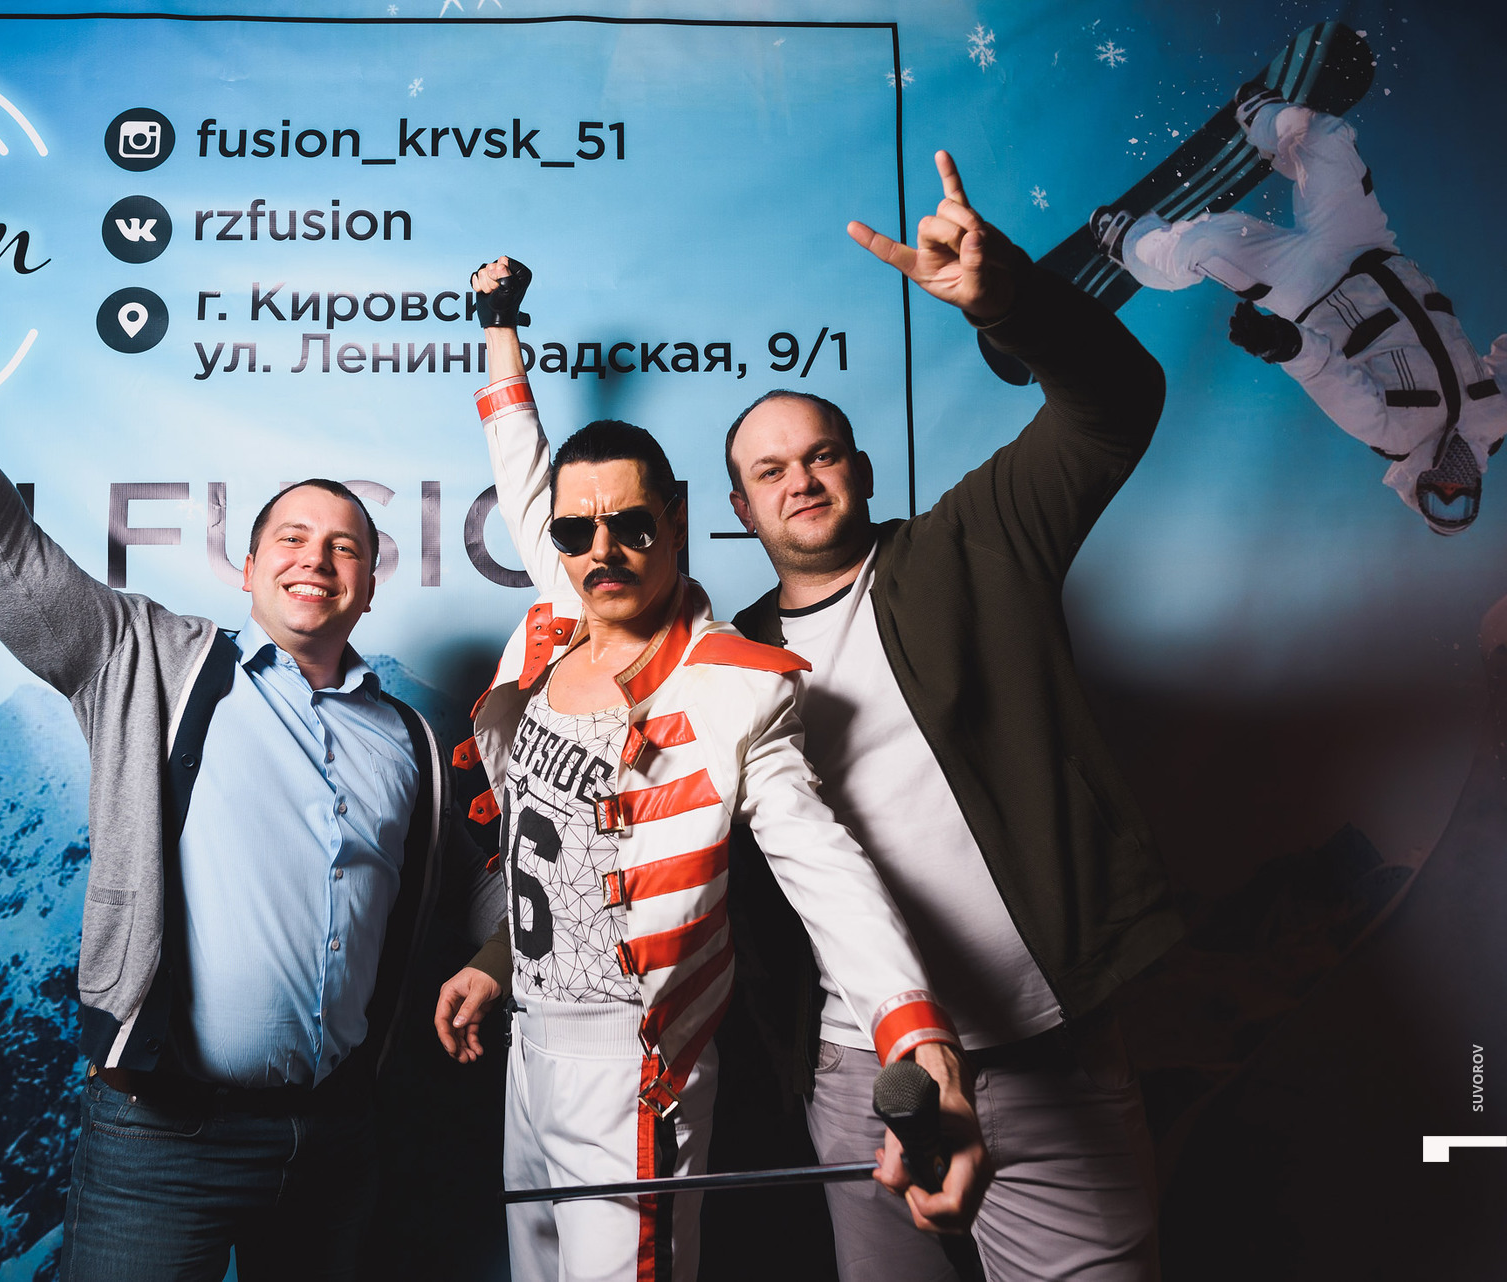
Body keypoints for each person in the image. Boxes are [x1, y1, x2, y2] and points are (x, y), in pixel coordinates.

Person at [0, 199, 461, 1282]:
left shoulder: (411, 737)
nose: (316, 559)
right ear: (247, 569)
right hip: (163, 1140)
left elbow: (453, 897)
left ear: (371, 586)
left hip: (336, 1139)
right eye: (291, 537)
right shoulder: (144, 658)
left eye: (345, 548)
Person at [430, 256, 987, 1282]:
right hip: (525, 1053)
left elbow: (826, 865)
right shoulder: (562, 609)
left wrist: (917, 1038)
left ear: (680, 520)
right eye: (576, 531)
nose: (603, 550)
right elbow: (522, 461)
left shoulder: (732, 685)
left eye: (633, 525)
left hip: (633, 1073)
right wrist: (499, 324)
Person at [722, 151, 1179, 1281]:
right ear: (740, 507)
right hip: (857, 1073)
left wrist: (1010, 303)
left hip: (1044, 1055)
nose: (800, 480)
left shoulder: (978, 542)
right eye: (770, 471)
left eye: (821, 454)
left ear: (863, 469)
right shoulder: (724, 663)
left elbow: (1116, 408)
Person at [1094, 87, 1507, 535]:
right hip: (1367, 246)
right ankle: (1265, 119)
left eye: (1439, 501)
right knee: (1327, 139)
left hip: (1308, 289)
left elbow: (1328, 374)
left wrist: (1284, 344)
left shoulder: (1393, 434)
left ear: (1418, 493)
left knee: (1211, 242)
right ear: (1477, 492)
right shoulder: (1496, 416)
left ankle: (1133, 244)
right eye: (1460, 500)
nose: (1451, 488)